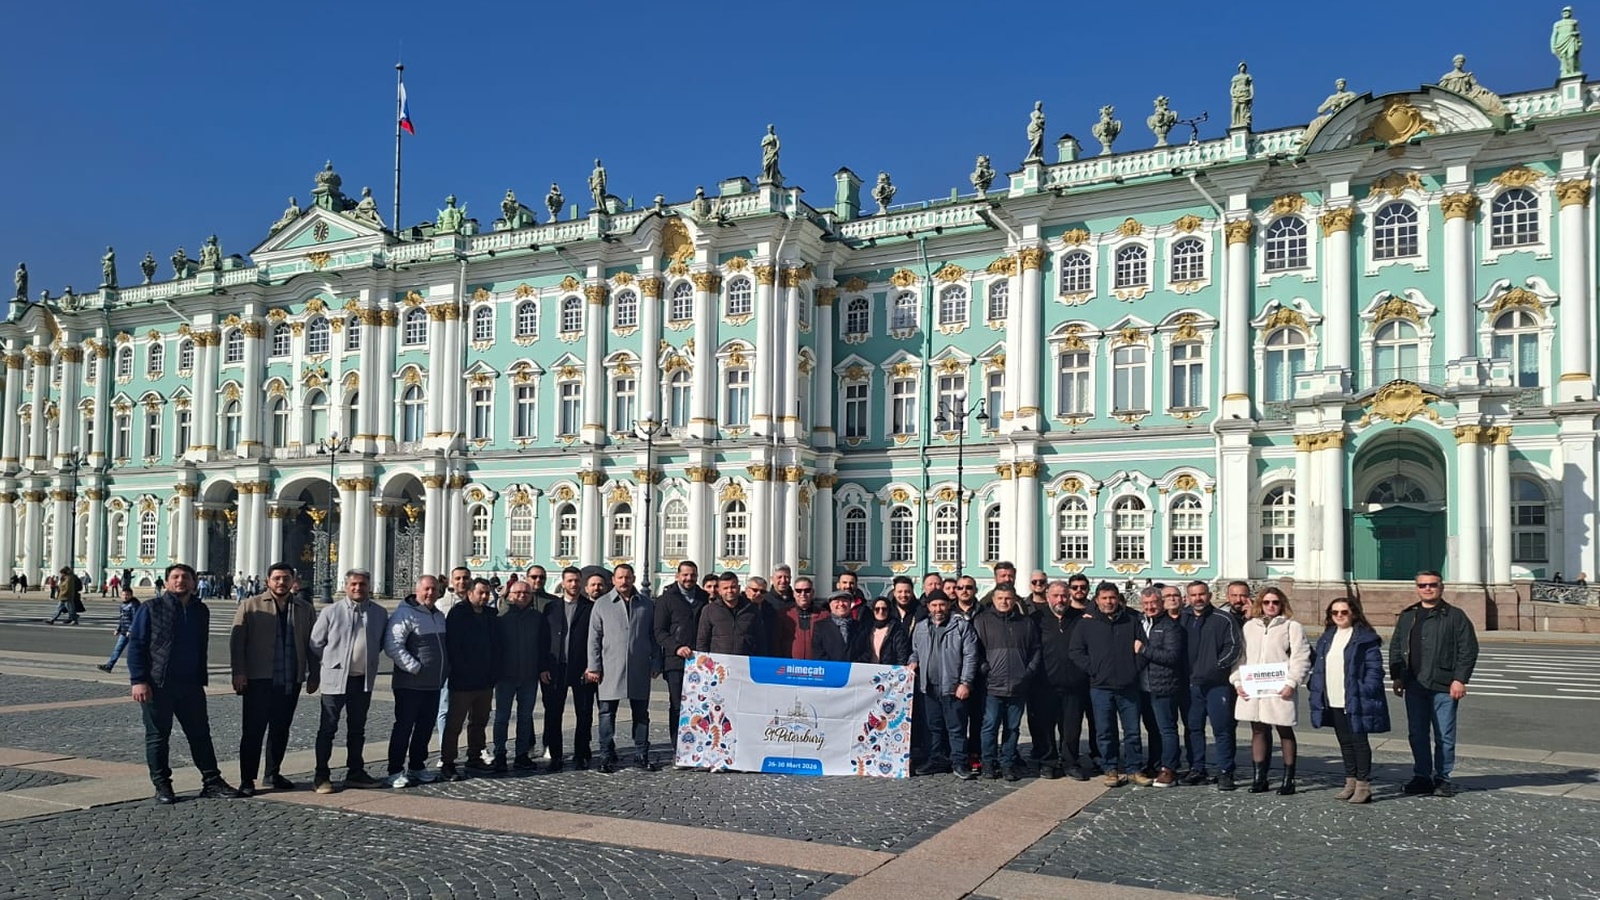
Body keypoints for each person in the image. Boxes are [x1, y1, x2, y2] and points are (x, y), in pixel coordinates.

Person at [127, 563, 243, 804]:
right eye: (175, 577)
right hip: (158, 683)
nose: (180, 581)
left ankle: (212, 781)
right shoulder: (151, 608)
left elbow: (201, 646)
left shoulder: (200, 610)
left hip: (191, 684)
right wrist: (138, 680)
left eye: (185, 577)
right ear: (167, 582)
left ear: (193, 582)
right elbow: (137, 645)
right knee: (158, 736)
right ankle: (162, 786)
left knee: (200, 734)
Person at [229, 562, 317, 796]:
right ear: (268, 581)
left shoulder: (304, 608)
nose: (281, 582)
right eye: (277, 578)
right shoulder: (250, 605)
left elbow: (313, 644)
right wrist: (239, 672)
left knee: (281, 728)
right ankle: (247, 779)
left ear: (293, 581)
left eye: (286, 578)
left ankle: (272, 773)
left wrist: (314, 674)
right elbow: (237, 642)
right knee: (253, 731)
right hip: (258, 678)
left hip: (290, 678)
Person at [1390, 571, 1478, 797]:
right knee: (1417, 734)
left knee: (1444, 736)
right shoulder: (1408, 615)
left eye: (1432, 584)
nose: (1427, 588)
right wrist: (1397, 676)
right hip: (1414, 684)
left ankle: (1442, 778)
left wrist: (1460, 679)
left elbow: (1468, 649)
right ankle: (1421, 777)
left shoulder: (1455, 615)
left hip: (1444, 684)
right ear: (1417, 588)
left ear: (1441, 587)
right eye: (1422, 585)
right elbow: (1397, 647)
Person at [307, 569, 387, 794]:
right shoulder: (331, 612)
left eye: (362, 584)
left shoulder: (379, 613)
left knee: (357, 729)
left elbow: (380, 642)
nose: (358, 588)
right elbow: (315, 643)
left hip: (363, 680)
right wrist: (331, 662)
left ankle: (355, 772)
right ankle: (321, 775)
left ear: (369, 586)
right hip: (335, 680)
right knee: (328, 728)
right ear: (346, 586)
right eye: (353, 584)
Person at [1068, 582, 1151, 788]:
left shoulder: (1131, 621)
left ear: (1118, 599)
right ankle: (1110, 768)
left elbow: (1144, 648)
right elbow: (1076, 652)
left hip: (1128, 686)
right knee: (1105, 731)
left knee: (1132, 731)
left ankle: (1134, 768)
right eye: (1104, 598)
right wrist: (1094, 669)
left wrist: (1133, 668)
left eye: (1112, 597)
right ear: (1097, 600)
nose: (1108, 602)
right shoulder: (1086, 624)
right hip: (1100, 686)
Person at [1232, 587, 1312, 795]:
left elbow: (1301, 657)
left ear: (1282, 604)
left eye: (1275, 602)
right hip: (1254, 687)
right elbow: (1241, 657)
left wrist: (1292, 682)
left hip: (1280, 687)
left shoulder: (1291, 626)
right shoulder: (1250, 626)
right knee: (1258, 730)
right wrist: (1238, 681)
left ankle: (1289, 779)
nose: (1270, 606)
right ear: (1260, 604)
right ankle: (1260, 778)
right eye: (1266, 602)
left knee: (1284, 730)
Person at [1308, 597, 1389, 804]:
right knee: (1345, 742)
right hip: (1333, 696)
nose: (1339, 616)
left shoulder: (1364, 638)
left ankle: (1363, 786)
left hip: (1355, 697)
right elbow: (1319, 665)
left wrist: (1365, 688)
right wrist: (1315, 685)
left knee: (1359, 742)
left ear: (1353, 613)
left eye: (1343, 612)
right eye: (1334, 612)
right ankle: (1350, 782)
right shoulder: (1327, 637)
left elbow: (1375, 669)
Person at [586, 564, 660, 773]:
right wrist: (594, 666)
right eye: (620, 577)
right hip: (610, 666)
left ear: (633, 578)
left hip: (639, 666)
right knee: (606, 713)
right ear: (613, 580)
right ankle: (606, 755)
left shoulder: (646, 604)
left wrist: (656, 661)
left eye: (627, 577)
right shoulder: (602, 604)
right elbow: (594, 638)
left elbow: (653, 636)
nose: (624, 581)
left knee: (641, 714)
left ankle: (641, 753)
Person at [384, 575, 449, 788]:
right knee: (404, 727)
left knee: (425, 727)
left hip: (433, 684)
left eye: (434, 589)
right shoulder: (405, 614)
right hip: (409, 684)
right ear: (417, 590)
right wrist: (415, 668)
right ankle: (395, 770)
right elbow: (393, 645)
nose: (430, 593)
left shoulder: (438, 615)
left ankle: (417, 766)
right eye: (426, 589)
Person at [971, 585, 1040, 781]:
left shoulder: (1025, 623)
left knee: (1012, 727)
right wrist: (985, 668)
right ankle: (988, 762)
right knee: (990, 726)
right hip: (992, 685)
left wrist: (1028, 672)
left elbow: (1036, 649)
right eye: (1000, 598)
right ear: (993, 600)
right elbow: (975, 650)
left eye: (1008, 598)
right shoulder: (982, 621)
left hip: (1018, 685)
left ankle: (1008, 763)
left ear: (1014, 600)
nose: (1004, 602)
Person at [909, 592, 978, 779]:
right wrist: (913, 661)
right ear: (928, 607)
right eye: (934, 605)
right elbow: (915, 651)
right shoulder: (921, 627)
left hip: (953, 687)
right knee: (933, 727)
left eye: (941, 605)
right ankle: (936, 760)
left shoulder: (961, 626)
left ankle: (959, 762)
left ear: (948, 605)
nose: (938, 609)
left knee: (956, 728)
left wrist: (965, 682)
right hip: (929, 687)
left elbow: (971, 656)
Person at [1182, 580, 1241, 790]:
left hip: (1217, 684)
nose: (1198, 598)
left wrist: (1216, 667)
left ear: (1209, 595)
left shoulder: (1223, 618)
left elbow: (1234, 647)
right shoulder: (1183, 618)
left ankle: (1225, 771)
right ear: (1187, 597)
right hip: (1190, 684)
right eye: (1193, 595)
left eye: (1201, 594)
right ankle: (1197, 768)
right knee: (1193, 728)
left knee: (1222, 729)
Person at [1032, 579, 1092, 781]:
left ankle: (1070, 762)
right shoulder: (1037, 619)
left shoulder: (1081, 618)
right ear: (1048, 597)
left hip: (1074, 683)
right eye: (1056, 595)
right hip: (1045, 684)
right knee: (1046, 726)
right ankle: (1048, 762)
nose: (1060, 599)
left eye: (1064, 595)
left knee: (1071, 728)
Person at [441, 578, 500, 781]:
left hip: (485, 680)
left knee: (479, 722)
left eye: (487, 593)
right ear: (470, 593)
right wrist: (460, 669)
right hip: (463, 679)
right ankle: (448, 762)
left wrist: (493, 672)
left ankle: (474, 757)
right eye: (480, 593)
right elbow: (453, 646)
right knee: (454, 724)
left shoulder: (491, 615)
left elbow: (496, 645)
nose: (484, 596)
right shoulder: (458, 614)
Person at [494, 578, 551, 772]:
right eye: (517, 593)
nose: (522, 596)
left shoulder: (537, 618)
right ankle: (500, 753)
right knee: (502, 717)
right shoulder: (501, 617)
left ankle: (521, 754)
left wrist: (541, 667)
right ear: (510, 595)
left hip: (529, 675)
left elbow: (543, 644)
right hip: (505, 675)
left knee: (525, 717)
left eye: (526, 593)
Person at [544, 566, 596, 771]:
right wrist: (543, 667)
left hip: (582, 667)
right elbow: (543, 639)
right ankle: (555, 754)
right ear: (563, 582)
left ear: (581, 583)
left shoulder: (589, 608)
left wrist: (592, 666)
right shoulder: (551, 608)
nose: (574, 584)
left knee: (583, 712)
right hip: (556, 667)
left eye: (577, 580)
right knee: (553, 712)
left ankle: (581, 752)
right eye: (570, 581)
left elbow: (595, 639)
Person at [1137, 585, 1187, 788]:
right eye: (1146, 603)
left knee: (1167, 729)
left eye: (1154, 603)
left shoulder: (1171, 627)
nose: (1150, 607)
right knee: (1152, 729)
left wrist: (1144, 650)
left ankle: (1169, 768)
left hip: (1164, 685)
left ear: (1161, 603)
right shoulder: (1141, 622)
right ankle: (1155, 763)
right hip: (1143, 686)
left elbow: (1172, 656)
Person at [655, 560, 709, 744]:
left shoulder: (703, 597)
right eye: (685, 575)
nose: (689, 578)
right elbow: (659, 631)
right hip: (675, 661)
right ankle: (677, 745)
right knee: (678, 705)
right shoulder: (666, 599)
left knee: (700, 705)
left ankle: (698, 744)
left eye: (693, 575)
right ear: (677, 576)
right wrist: (676, 647)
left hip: (701, 661)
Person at [696, 571, 768, 657]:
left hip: (745, 661)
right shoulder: (709, 610)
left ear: (739, 588)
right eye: (725, 588)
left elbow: (760, 640)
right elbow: (702, 641)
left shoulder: (752, 609)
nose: (729, 591)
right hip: (718, 662)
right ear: (719, 590)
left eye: (733, 587)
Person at [772, 576, 826, 660]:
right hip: (789, 664)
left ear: (812, 592)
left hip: (816, 665)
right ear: (794, 593)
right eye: (799, 591)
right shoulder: (784, 615)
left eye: (807, 590)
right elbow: (776, 642)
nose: (803, 594)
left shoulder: (824, 615)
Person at [98, 587, 141, 673]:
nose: (125, 596)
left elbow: (136, 619)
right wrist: (118, 629)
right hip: (124, 632)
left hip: (133, 633)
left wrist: (130, 630)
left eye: (127, 595)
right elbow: (122, 619)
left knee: (135, 652)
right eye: (123, 594)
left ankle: (138, 669)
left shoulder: (134, 605)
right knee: (117, 649)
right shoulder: (122, 605)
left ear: (131, 595)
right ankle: (109, 666)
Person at [860, 597, 913, 665]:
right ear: (873, 611)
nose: (881, 612)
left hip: (889, 669)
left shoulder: (896, 629)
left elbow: (902, 655)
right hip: (869, 668)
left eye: (884, 609)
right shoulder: (867, 629)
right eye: (877, 609)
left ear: (889, 611)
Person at [812, 591, 863, 661]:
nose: (841, 604)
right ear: (830, 605)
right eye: (837, 601)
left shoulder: (859, 626)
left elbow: (865, 651)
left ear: (850, 604)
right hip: (829, 667)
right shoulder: (820, 627)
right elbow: (818, 652)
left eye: (845, 601)